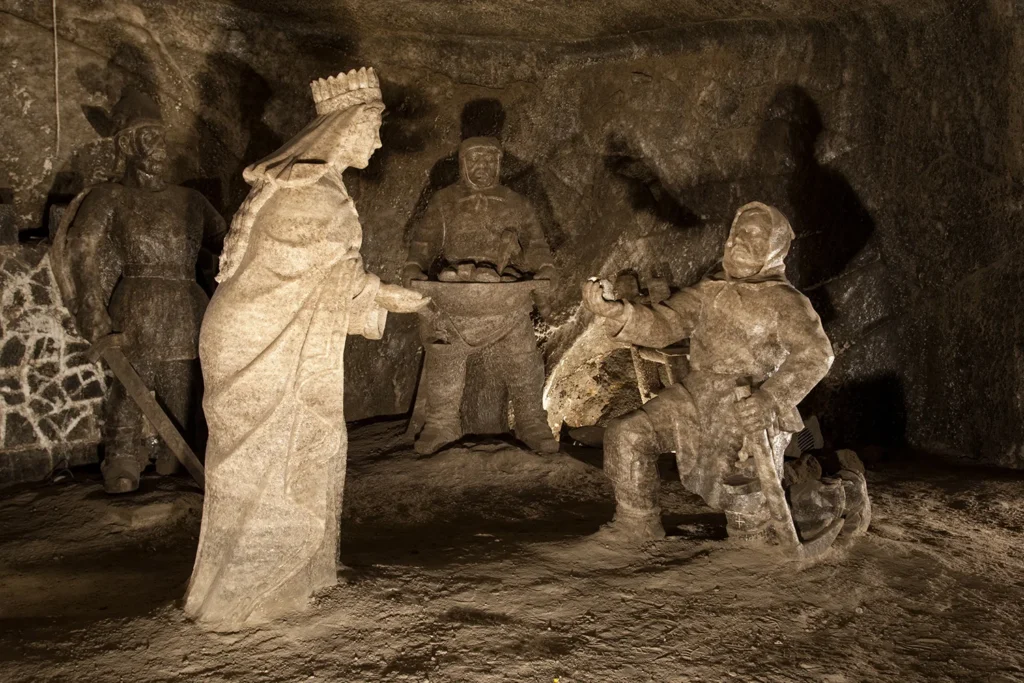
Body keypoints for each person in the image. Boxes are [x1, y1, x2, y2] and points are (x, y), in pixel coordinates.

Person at [183, 67, 428, 630]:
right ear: (341, 127)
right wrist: (386, 296)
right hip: (261, 341)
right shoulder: (308, 197)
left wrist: (377, 294)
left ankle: (289, 582)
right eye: (372, 126)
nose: (378, 140)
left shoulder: (316, 186)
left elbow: (322, 279)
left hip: (272, 331)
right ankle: (241, 600)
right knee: (267, 465)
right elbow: (320, 277)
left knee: (289, 455)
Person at [582, 202, 834, 541]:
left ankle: (755, 535)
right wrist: (617, 314)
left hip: (749, 407)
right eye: (737, 232)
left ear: (773, 248)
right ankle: (637, 523)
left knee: (742, 488)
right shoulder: (710, 291)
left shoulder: (786, 302)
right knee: (627, 434)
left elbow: (816, 354)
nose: (739, 241)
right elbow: (665, 322)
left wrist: (770, 398)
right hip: (696, 396)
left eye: (754, 235)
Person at [51, 89, 226, 494]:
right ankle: (124, 458)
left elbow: (232, 244)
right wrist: (92, 313)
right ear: (127, 145)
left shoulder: (192, 201)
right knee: (128, 390)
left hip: (187, 304)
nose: (160, 147)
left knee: (184, 389)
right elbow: (81, 253)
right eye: (149, 137)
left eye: (162, 137)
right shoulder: (110, 197)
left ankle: (177, 454)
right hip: (136, 303)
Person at [404, 137, 558, 454]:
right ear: (463, 164)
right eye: (475, 160)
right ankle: (442, 422)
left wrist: (544, 268)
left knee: (523, 356)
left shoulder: (516, 203)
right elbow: (423, 243)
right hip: (454, 297)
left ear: (499, 164)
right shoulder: (444, 201)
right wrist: (413, 269)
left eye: (489, 161)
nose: (482, 167)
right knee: (443, 356)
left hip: (505, 295)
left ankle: (531, 421)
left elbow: (538, 244)